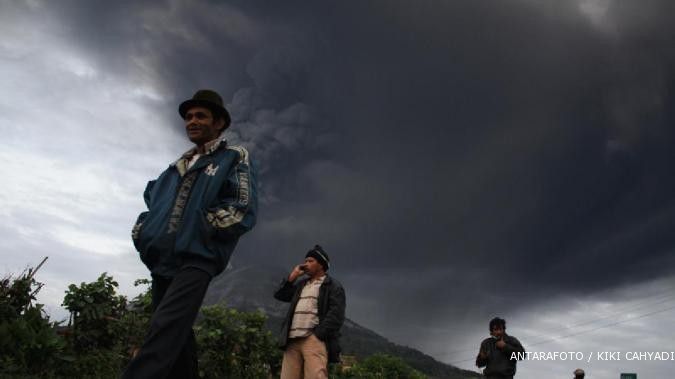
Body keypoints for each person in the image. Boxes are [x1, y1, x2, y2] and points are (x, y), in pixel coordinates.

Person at [123, 89, 257, 379]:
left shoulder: (232, 157)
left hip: (198, 258)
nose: (191, 121)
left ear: (219, 123)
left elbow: (241, 207)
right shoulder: (172, 170)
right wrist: (144, 233)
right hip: (162, 262)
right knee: (176, 335)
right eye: (188, 117)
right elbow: (152, 206)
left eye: (200, 116)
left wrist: (202, 229)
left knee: (164, 329)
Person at [273, 245, 346, 379]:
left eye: (310, 261)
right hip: (292, 341)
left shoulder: (333, 286)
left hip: (313, 340)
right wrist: (292, 277)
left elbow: (336, 315)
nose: (305, 264)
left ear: (321, 264)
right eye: (305, 261)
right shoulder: (301, 285)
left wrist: (317, 335)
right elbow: (279, 295)